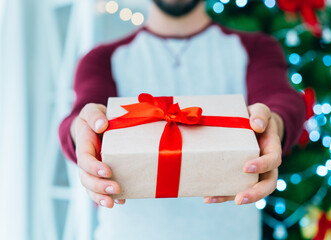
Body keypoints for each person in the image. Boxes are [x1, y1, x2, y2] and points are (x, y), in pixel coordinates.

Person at [59, 0, 306, 239]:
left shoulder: (256, 48)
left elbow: (280, 100)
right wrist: (81, 132)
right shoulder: (102, 59)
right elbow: (82, 116)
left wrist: (274, 123)